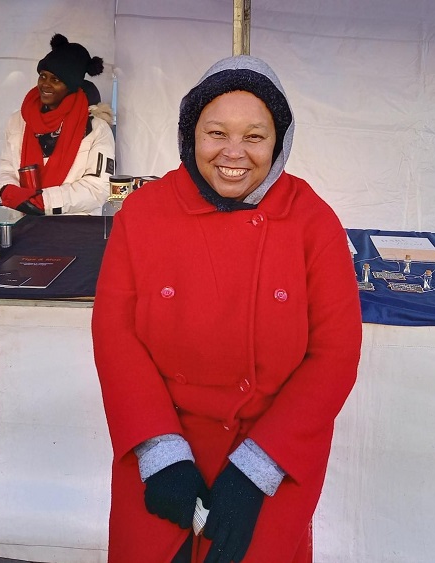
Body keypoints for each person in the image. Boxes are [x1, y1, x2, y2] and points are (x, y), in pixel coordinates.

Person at [91, 55, 362, 563]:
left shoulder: (314, 223)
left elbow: (335, 354)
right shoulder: (144, 213)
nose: (233, 153)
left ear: (278, 143)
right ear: (190, 134)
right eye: (216, 132)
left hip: (271, 460)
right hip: (162, 449)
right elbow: (115, 334)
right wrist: (160, 452)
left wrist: (259, 467)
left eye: (254, 137)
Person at [0, 34, 115, 216]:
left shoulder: (96, 128)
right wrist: (7, 191)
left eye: (55, 80)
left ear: (71, 85)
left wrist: (44, 202)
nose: (45, 84)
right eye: (43, 76)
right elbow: (6, 168)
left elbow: (98, 187)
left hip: (72, 228)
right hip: (21, 222)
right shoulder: (18, 120)